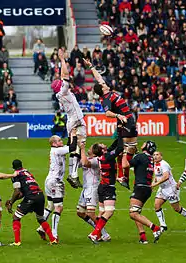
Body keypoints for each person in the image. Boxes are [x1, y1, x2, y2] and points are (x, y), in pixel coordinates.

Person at [84, 58, 137, 189]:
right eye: (102, 84)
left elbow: (98, 78)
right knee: (130, 148)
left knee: (125, 149)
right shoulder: (106, 99)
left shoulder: (106, 90)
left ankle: (121, 175)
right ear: (102, 89)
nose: (104, 82)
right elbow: (107, 113)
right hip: (125, 120)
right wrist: (119, 115)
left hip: (126, 119)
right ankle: (124, 175)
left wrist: (91, 67)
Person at [52, 49, 87, 189]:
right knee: (80, 145)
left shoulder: (59, 94)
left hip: (70, 120)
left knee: (74, 148)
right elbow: (65, 75)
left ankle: (73, 174)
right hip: (77, 119)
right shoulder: (64, 90)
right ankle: (73, 174)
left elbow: (63, 76)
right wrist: (62, 59)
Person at [36, 131, 78, 242]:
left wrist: (71, 134)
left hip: (49, 180)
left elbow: (69, 145)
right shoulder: (57, 150)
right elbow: (73, 147)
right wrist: (74, 134)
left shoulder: (57, 149)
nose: (61, 141)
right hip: (55, 182)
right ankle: (54, 234)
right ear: (54, 143)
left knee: (50, 206)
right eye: (59, 140)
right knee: (59, 207)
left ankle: (41, 228)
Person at [5, 160, 57, 246]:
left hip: (31, 197)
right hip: (40, 196)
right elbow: (22, 193)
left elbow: (17, 191)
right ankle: (52, 239)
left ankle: (17, 242)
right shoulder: (27, 172)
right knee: (40, 218)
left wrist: (10, 203)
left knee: (16, 217)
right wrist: (11, 200)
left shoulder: (15, 175)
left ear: (13, 167)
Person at [122, 141, 162, 244]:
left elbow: (125, 165)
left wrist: (124, 153)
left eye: (144, 143)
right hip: (146, 188)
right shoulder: (150, 158)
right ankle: (142, 237)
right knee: (136, 212)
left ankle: (155, 228)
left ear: (147, 147)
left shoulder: (140, 157)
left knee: (133, 213)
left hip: (140, 188)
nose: (142, 144)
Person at [87, 136, 124, 244]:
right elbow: (119, 148)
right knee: (109, 211)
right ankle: (94, 233)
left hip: (102, 187)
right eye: (101, 144)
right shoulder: (107, 157)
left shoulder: (104, 156)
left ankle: (98, 235)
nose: (103, 144)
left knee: (101, 212)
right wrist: (122, 138)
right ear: (102, 150)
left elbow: (114, 146)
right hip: (108, 187)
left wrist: (120, 133)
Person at [152, 151, 186, 232]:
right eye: (154, 155)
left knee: (176, 208)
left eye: (157, 155)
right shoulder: (155, 164)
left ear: (161, 156)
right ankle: (163, 225)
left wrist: (155, 185)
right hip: (162, 188)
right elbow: (156, 176)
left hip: (171, 189)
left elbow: (166, 176)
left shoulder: (164, 164)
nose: (155, 156)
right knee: (157, 205)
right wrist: (152, 185)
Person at [78, 143, 111, 242]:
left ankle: (104, 234)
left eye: (91, 147)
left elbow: (84, 163)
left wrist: (82, 149)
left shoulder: (97, 160)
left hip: (92, 188)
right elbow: (79, 163)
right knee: (80, 212)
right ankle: (100, 232)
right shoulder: (88, 158)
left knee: (91, 213)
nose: (89, 148)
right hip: (85, 188)